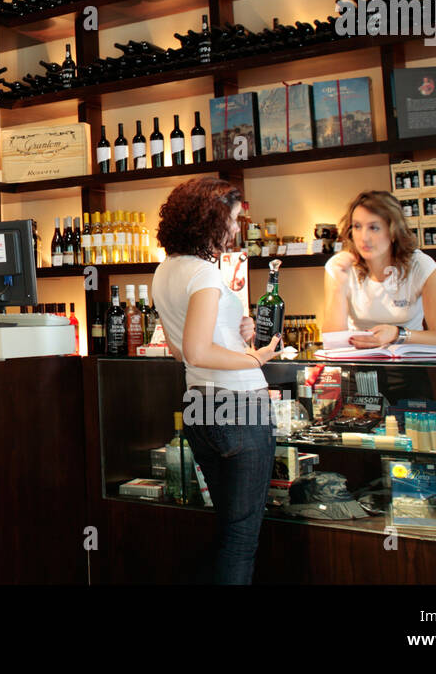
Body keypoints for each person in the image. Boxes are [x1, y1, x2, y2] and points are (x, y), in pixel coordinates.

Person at [150, 177, 280, 584]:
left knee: (228, 529)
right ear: (212, 219)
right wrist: (254, 356)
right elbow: (198, 351)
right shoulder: (205, 274)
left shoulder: (165, 271)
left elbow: (180, 350)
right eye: (235, 219)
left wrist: (235, 332)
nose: (238, 228)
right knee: (241, 539)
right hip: (241, 406)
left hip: (199, 406)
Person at [323, 190, 436, 348]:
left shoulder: (421, 265)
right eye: (357, 226)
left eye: (374, 228)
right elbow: (332, 345)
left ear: (393, 232)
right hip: (360, 363)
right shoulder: (339, 266)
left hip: (409, 363)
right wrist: (339, 287)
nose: (363, 237)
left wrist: (397, 334)